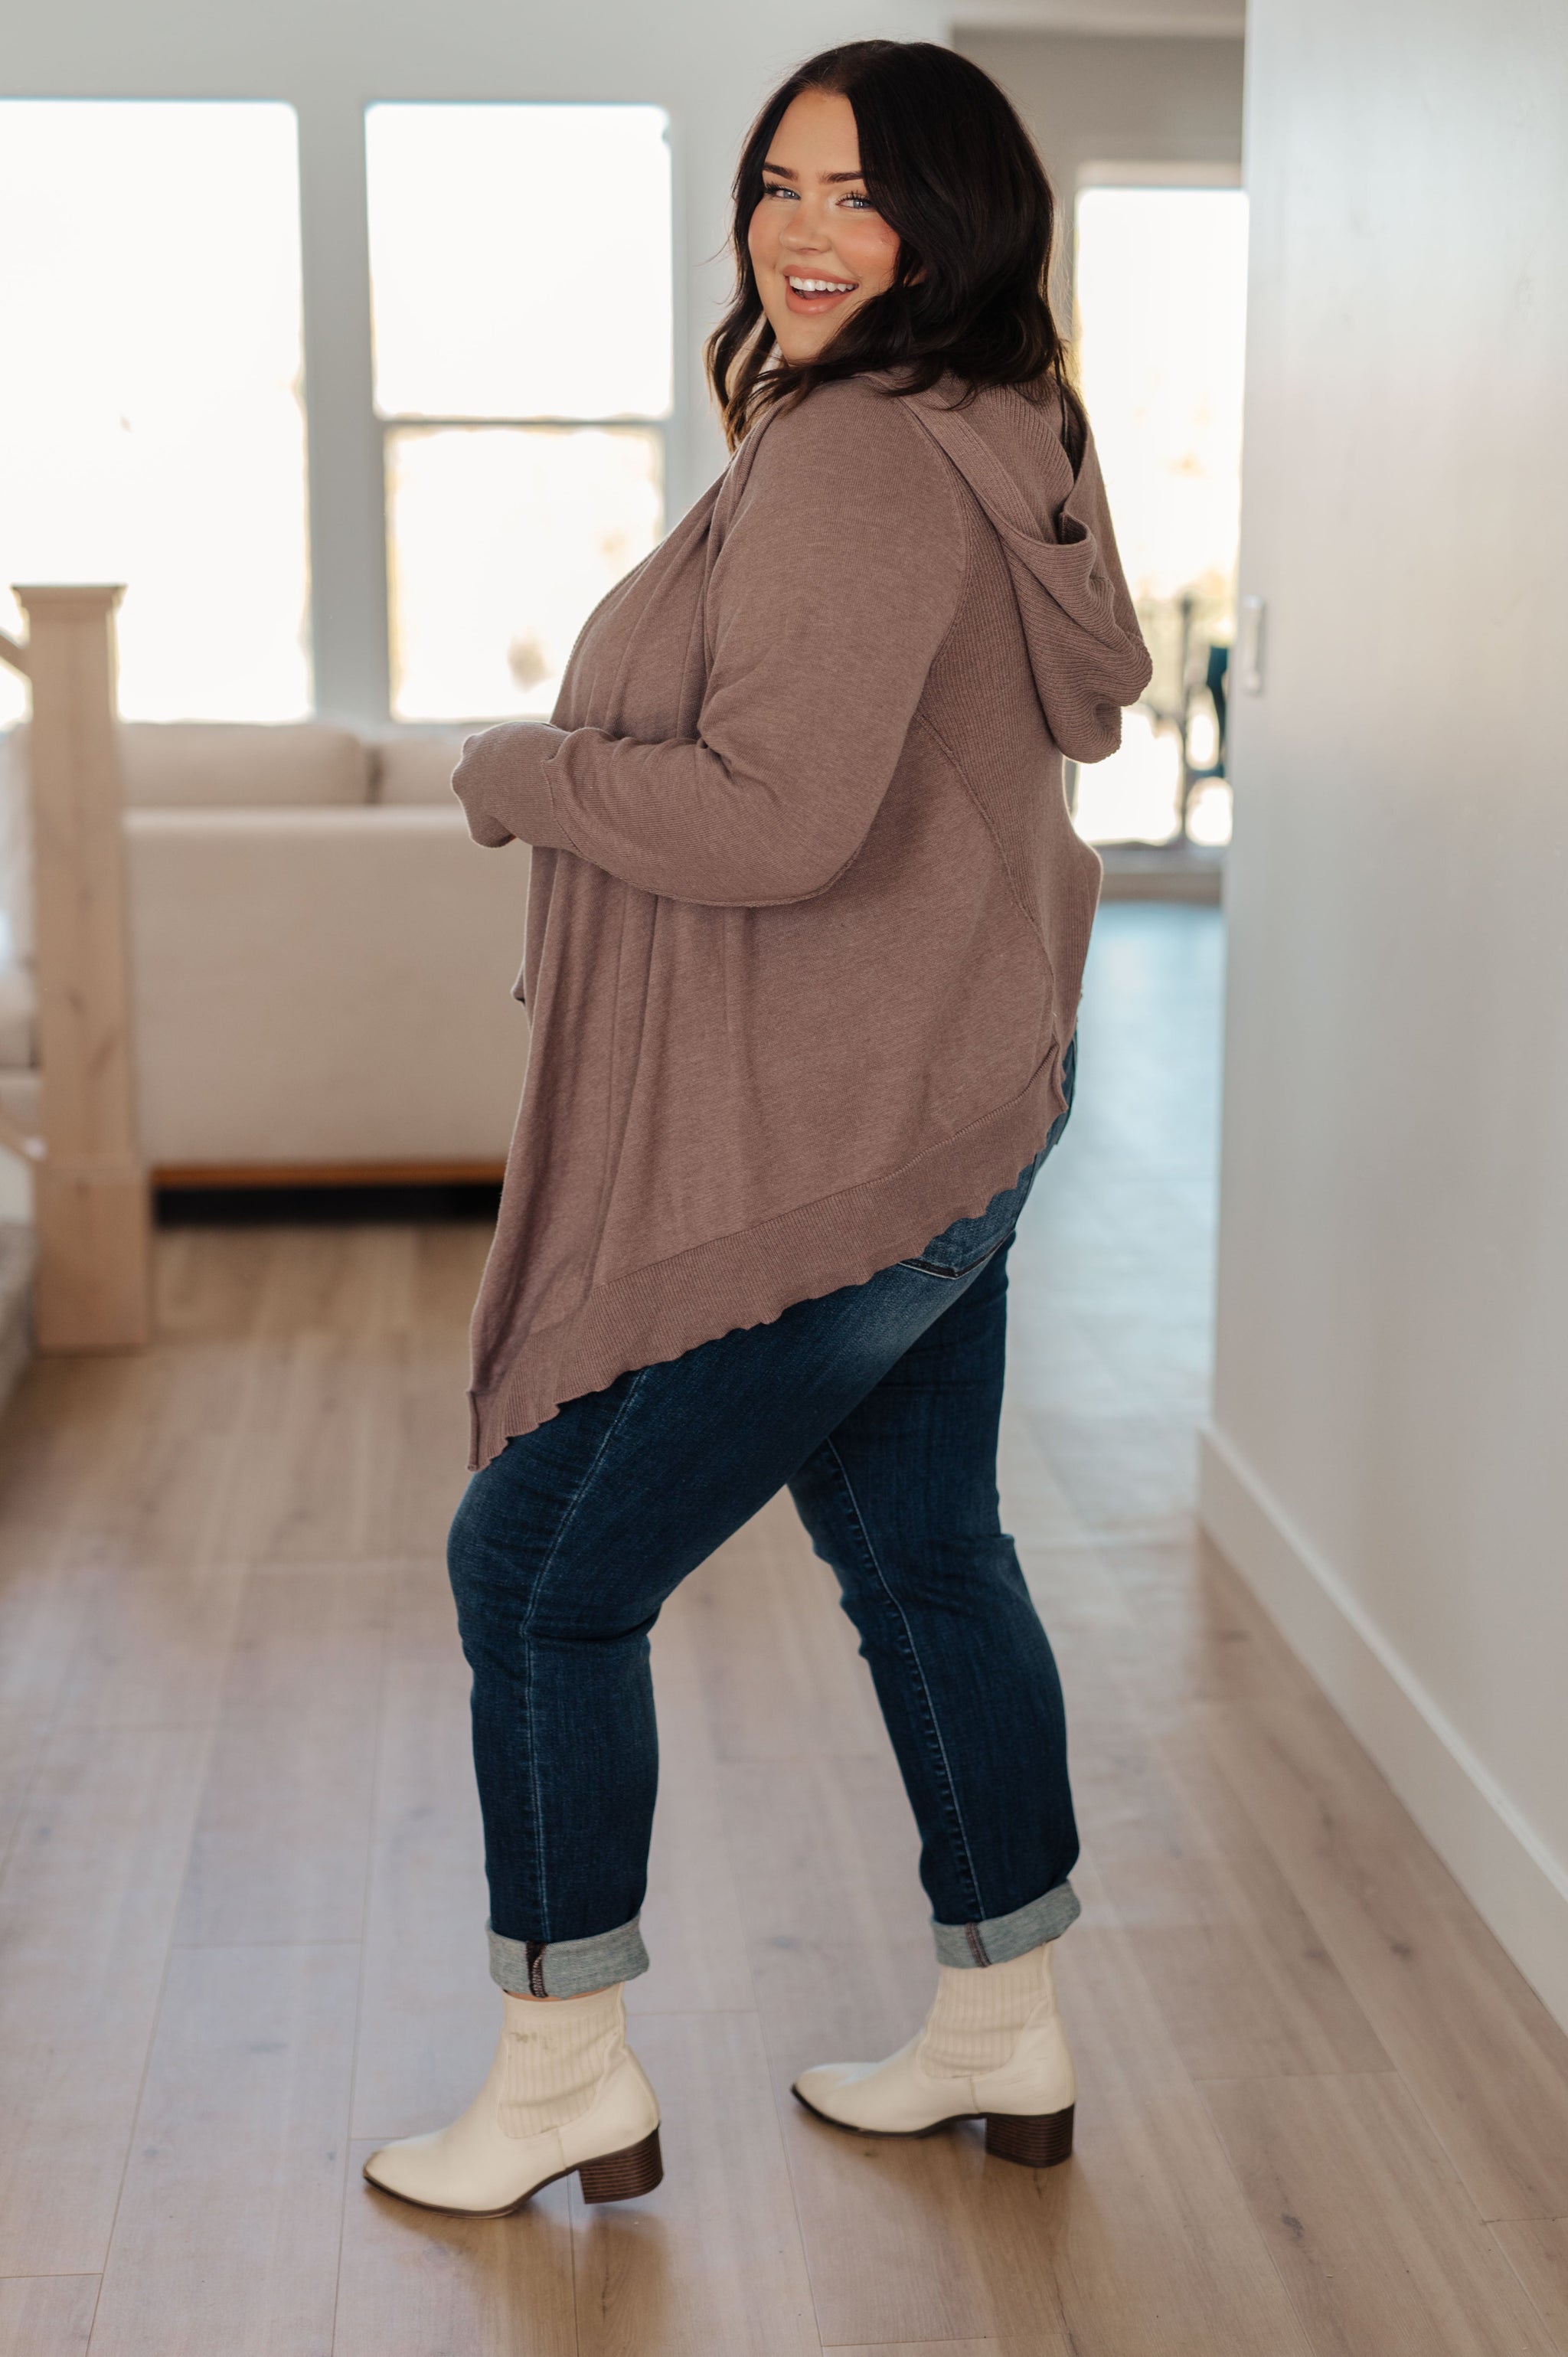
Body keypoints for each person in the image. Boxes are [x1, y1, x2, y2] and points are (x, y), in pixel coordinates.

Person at [364, 38, 1150, 2218]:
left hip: (834, 1145)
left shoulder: (860, 460)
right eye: (777, 185)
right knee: (925, 1556)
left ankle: (562, 2076)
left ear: (950, 224)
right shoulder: (998, 428)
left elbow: (777, 820)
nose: (802, 233)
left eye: (857, 194)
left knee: (535, 1570)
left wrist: (519, 772)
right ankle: (1001, 2027)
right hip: (950, 1107)